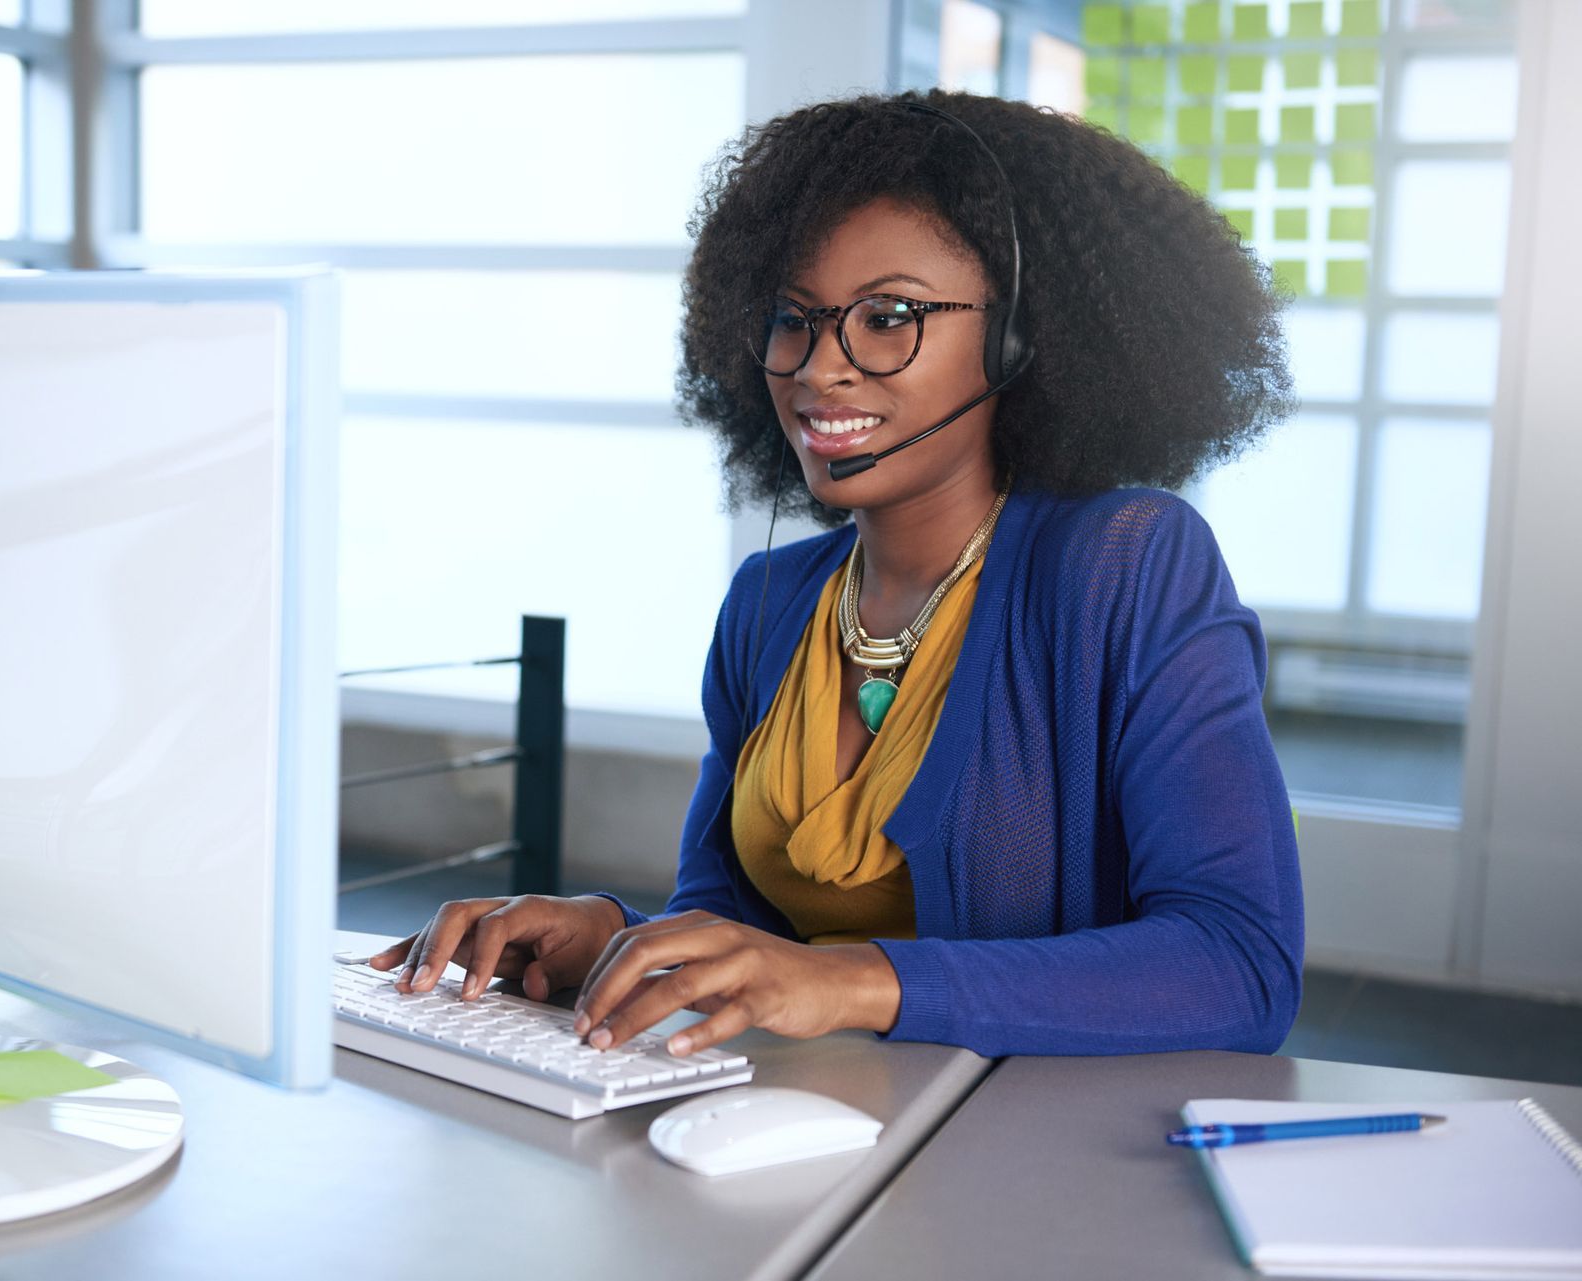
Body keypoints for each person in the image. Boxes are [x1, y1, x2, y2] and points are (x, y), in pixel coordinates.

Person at [370, 88, 1303, 1060]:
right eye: (794, 320)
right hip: (793, 1138)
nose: (820, 369)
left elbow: (1240, 965)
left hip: (1028, 1156)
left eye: (888, 317)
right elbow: (732, 918)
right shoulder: (769, 603)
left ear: (1023, 337)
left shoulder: (1128, 563)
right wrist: (616, 939)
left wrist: (856, 980)